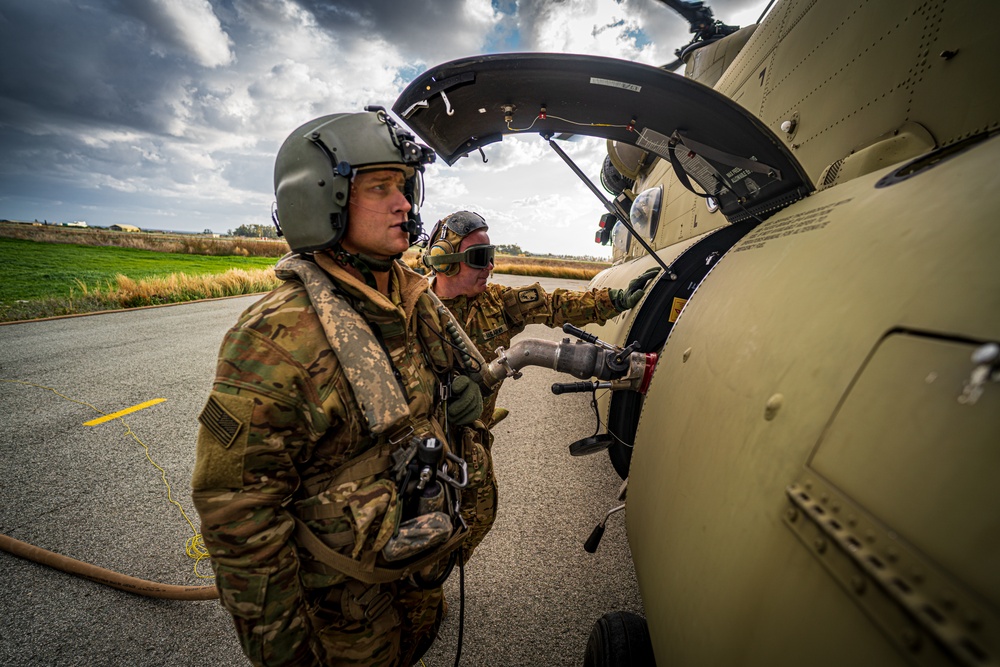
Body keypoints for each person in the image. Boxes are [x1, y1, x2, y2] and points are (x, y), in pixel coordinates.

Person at [191, 110, 489, 667]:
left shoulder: (411, 301)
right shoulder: (274, 338)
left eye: (404, 186)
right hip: (347, 617)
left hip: (417, 573)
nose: (404, 204)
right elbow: (240, 517)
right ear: (319, 200)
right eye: (380, 188)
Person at [422, 210, 657, 556]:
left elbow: (555, 305)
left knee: (480, 514)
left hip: (474, 435)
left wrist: (615, 300)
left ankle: (439, 572)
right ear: (445, 262)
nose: (490, 267)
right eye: (479, 258)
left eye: (492, 256)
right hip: (424, 439)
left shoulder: (498, 303)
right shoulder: (415, 308)